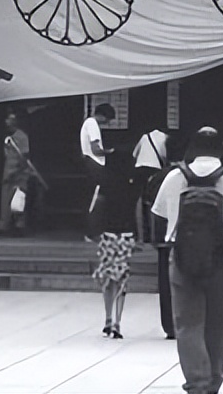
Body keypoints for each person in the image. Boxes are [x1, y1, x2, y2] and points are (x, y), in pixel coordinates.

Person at [151, 127, 223, 394]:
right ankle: (214, 377)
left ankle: (197, 382)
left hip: (181, 253)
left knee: (188, 322)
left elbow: (159, 212)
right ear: (221, 149)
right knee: (216, 319)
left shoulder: (173, 177)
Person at [95, 149, 138, 339]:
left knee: (108, 278)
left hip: (108, 234)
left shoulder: (104, 183)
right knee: (122, 278)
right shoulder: (132, 185)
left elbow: (98, 208)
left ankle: (107, 318)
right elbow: (136, 211)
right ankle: (118, 322)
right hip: (126, 234)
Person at [80, 103, 115, 238]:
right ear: (102, 115)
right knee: (96, 199)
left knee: (93, 198)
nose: (107, 123)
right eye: (108, 119)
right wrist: (110, 152)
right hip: (95, 164)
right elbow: (96, 149)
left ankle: (92, 230)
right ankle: (92, 232)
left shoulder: (87, 123)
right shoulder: (92, 124)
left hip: (90, 163)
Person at [133, 125, 169, 242]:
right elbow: (164, 156)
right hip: (155, 172)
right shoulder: (165, 137)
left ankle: (141, 237)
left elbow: (134, 154)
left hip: (139, 170)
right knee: (154, 203)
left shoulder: (145, 137)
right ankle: (154, 237)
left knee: (139, 203)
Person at [0, 109, 33, 235]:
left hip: (19, 174)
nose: (7, 122)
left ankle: (19, 226)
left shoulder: (22, 137)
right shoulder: (8, 138)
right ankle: (5, 226)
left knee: (19, 201)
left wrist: (20, 173)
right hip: (8, 172)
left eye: (10, 119)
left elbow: (25, 156)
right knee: (6, 202)